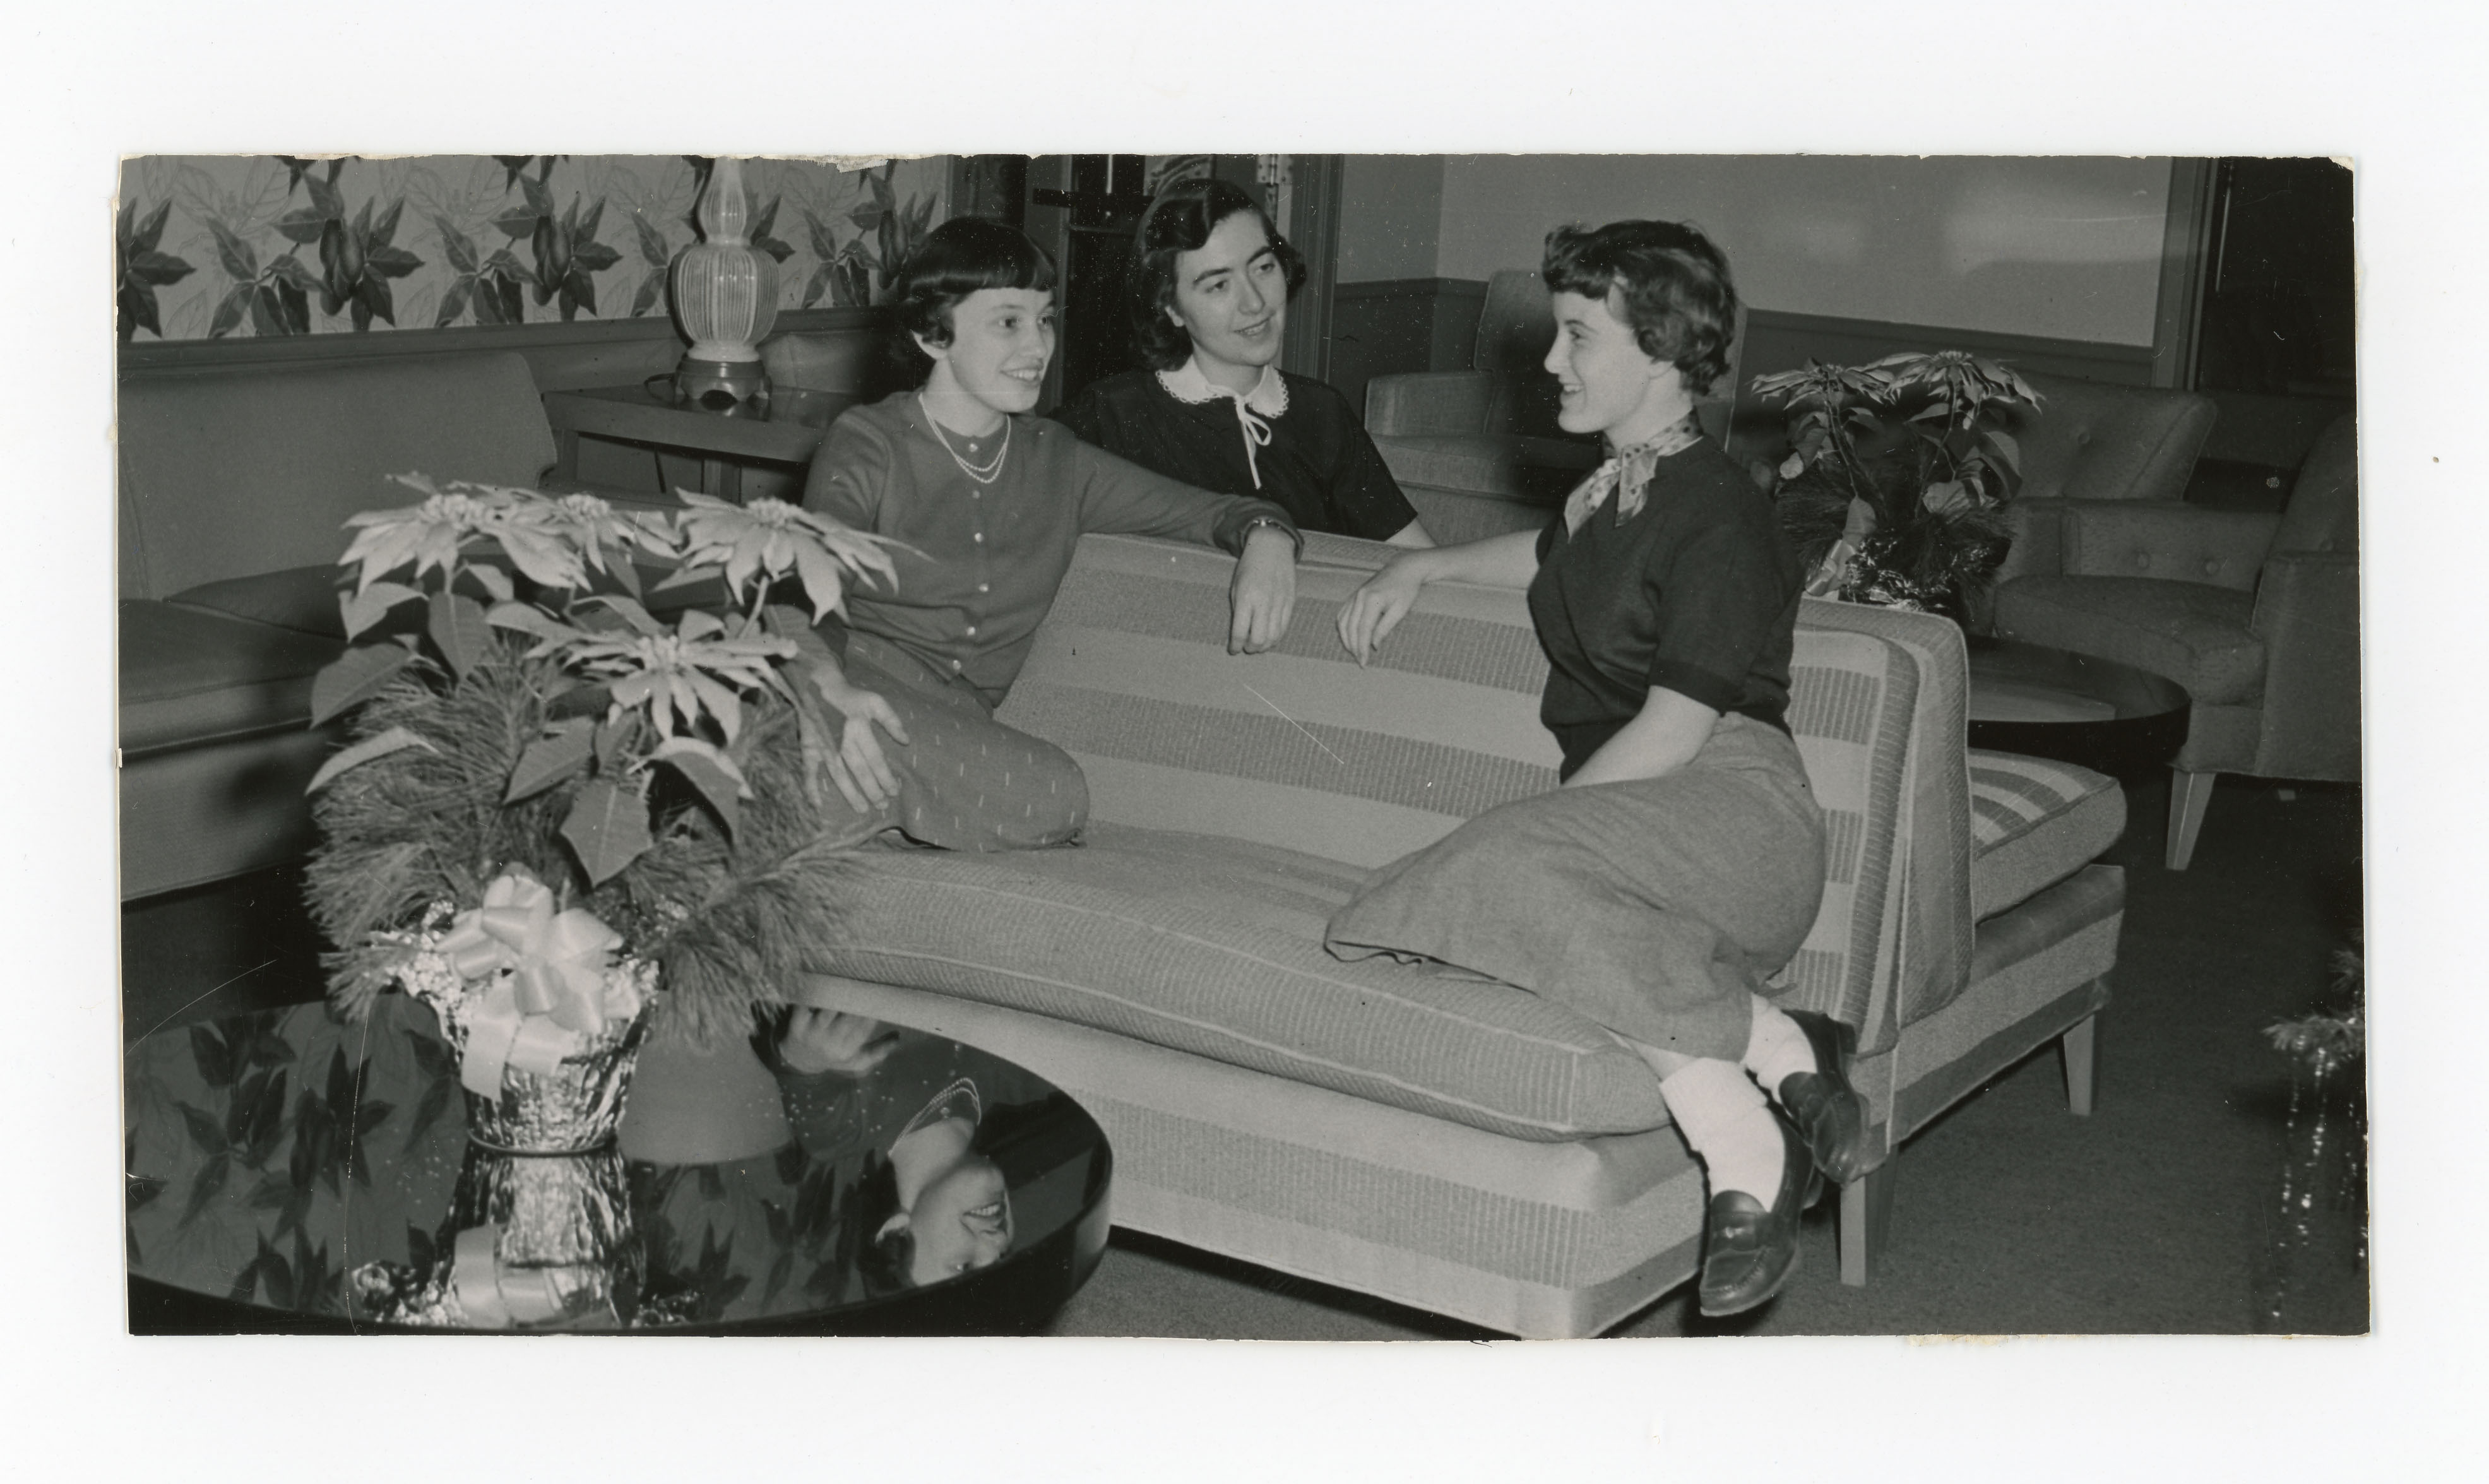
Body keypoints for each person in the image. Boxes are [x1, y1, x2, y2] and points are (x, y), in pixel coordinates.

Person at [1323, 220, 1870, 1317]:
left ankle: (1742, 1147)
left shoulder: (1719, 510)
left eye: (1577, 335)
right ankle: (1774, 1046)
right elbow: (1548, 557)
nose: (1548, 359)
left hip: (1730, 816)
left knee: (1482, 878)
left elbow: (1671, 732)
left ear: (1661, 349)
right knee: (1485, 899)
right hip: (1639, 834)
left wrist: (1530, 846)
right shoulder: (1614, 488)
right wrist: (1425, 567)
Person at [792, 216, 1303, 852]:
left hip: (955, 725)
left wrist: (1266, 533)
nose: (1037, 346)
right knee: (824, 729)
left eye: (1044, 320)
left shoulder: (1060, 460)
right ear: (933, 334)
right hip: (848, 674)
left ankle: (810, 798)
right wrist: (826, 690)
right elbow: (804, 587)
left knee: (1057, 792)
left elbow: (1209, 511)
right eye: (1008, 322)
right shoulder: (868, 441)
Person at [1053, 177, 1433, 547]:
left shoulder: (1323, 413)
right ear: (1172, 308)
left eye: (1263, 267)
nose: (1255, 302)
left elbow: (1416, 553)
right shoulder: (1111, 414)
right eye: (1219, 284)